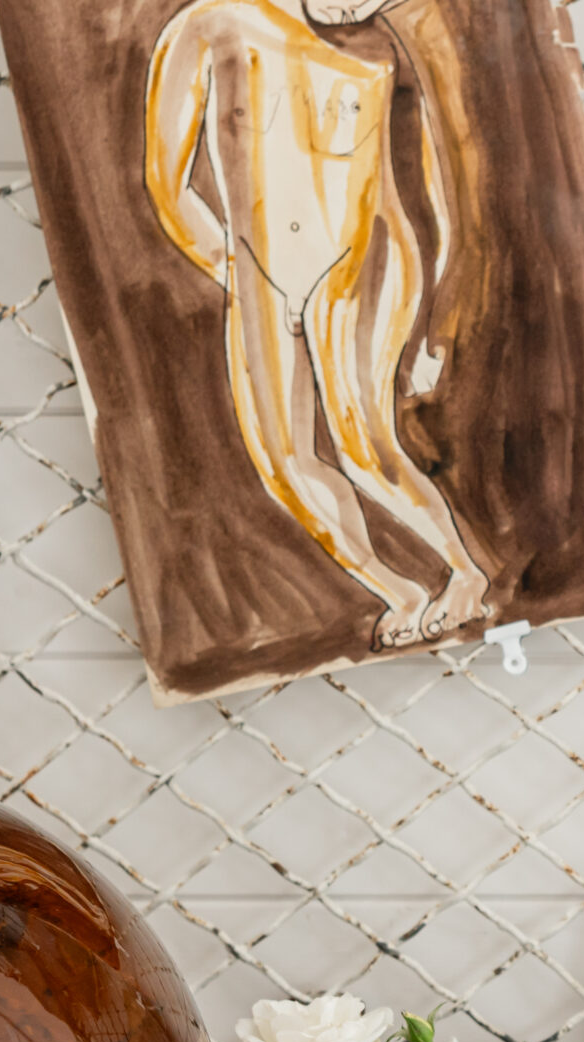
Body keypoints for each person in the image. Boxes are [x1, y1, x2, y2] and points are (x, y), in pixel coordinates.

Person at [145, 0, 493, 651]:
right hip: (258, 271)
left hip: (365, 258)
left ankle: (464, 572)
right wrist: (236, 273)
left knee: (366, 446)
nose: (358, 6)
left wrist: (427, 327)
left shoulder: (379, 46)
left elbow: (428, 186)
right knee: (283, 462)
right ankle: (400, 590)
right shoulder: (207, 26)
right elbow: (168, 183)